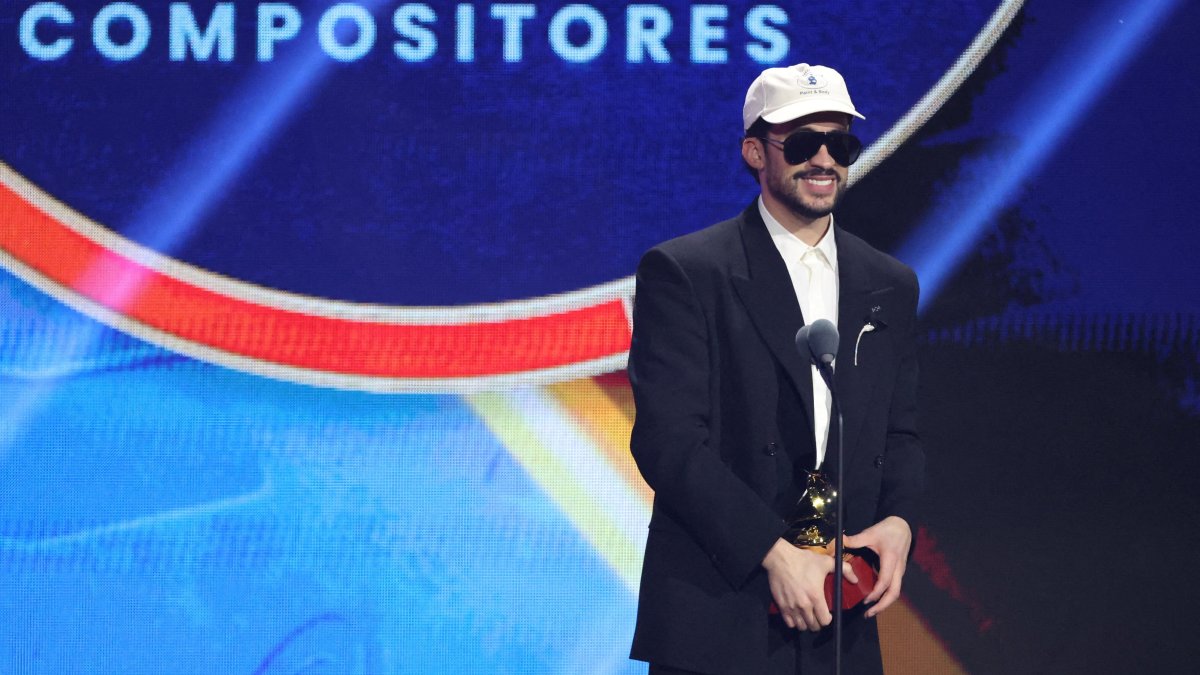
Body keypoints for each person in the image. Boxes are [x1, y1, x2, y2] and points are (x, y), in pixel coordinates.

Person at [627, 63, 924, 674]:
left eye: (838, 143)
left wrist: (898, 522)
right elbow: (668, 441)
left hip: (840, 617)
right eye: (802, 143)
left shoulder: (888, 284)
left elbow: (901, 432)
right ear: (754, 152)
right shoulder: (688, 272)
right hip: (723, 612)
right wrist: (772, 552)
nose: (823, 159)